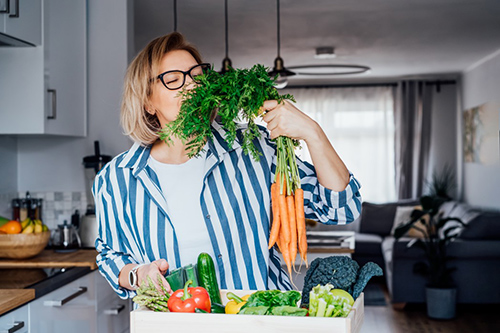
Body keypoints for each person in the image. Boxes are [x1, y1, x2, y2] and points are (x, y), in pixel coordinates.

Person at [93, 32, 362, 299]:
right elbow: (109, 254)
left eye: (198, 76)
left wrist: (313, 132)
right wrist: (136, 275)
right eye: (173, 80)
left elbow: (340, 208)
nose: (192, 87)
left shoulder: (254, 146)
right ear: (147, 102)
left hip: (259, 319)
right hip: (175, 322)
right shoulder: (117, 178)